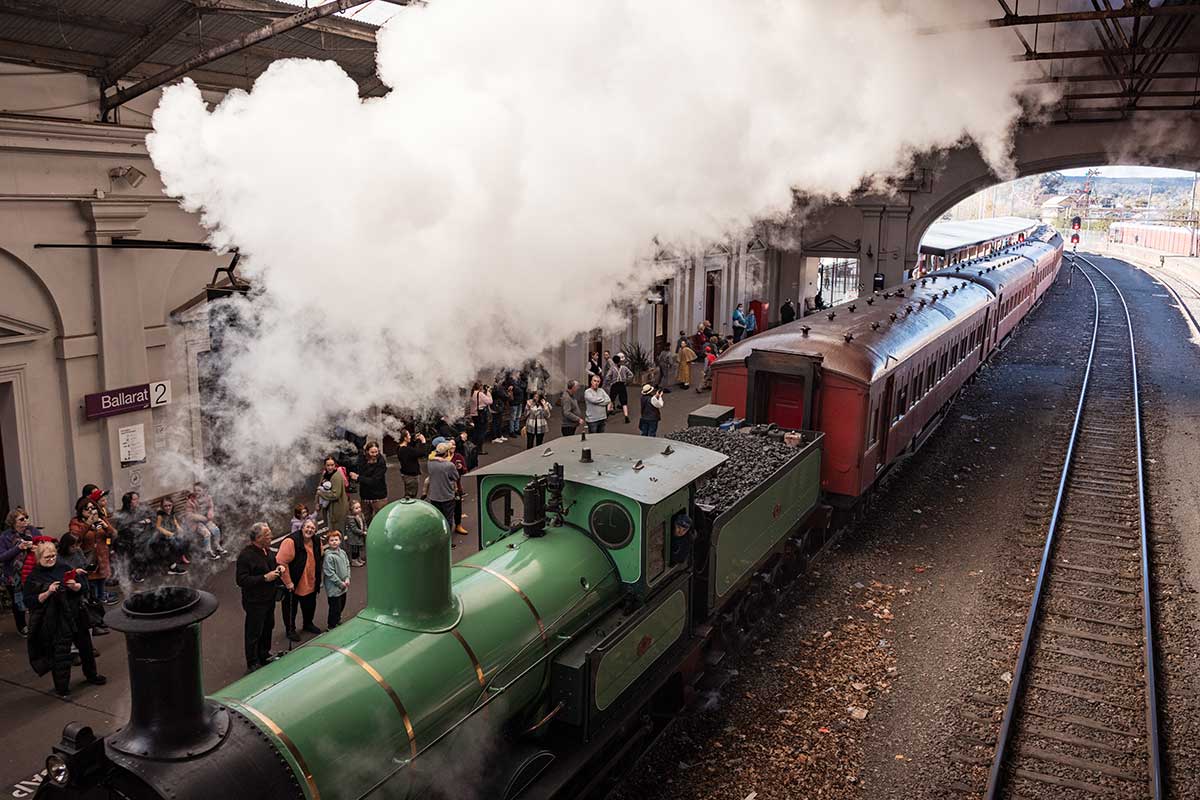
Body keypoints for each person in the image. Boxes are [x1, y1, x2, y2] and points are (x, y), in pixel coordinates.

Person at [23, 541, 106, 697]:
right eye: (47, 556)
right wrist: (47, 592)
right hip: (56, 619)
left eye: (54, 555)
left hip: (76, 613)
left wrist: (75, 586)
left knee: (86, 648)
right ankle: (62, 687)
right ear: (39, 557)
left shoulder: (64, 567)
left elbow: (83, 586)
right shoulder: (34, 577)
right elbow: (29, 601)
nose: (52, 559)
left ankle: (92, 675)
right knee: (60, 653)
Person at [235, 522, 283, 673]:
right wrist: (264, 578)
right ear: (258, 537)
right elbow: (241, 580)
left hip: (269, 598)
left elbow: (272, 566)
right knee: (254, 631)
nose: (271, 537)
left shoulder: (266, 551)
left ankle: (264, 654)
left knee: (268, 626)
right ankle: (252, 662)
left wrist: (278, 569)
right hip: (255, 601)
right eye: (268, 535)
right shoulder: (245, 556)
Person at [277, 518, 324, 641]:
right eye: (307, 527)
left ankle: (308, 624)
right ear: (302, 528)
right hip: (294, 582)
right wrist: (288, 582)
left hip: (310, 581)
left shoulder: (317, 540)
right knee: (290, 608)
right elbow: (281, 562)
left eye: (313, 528)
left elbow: (321, 555)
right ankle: (290, 630)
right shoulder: (291, 541)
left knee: (310, 605)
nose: (309, 530)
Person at [1, 509, 34, 636]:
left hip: (31, 572)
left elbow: (43, 546)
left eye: (26, 518)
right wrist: (18, 548)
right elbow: (2, 556)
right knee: (17, 602)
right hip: (13, 575)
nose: (25, 521)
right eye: (21, 519)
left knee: (33, 599)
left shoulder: (33, 531)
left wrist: (35, 547)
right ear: (13, 522)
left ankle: (36, 624)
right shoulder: (5, 537)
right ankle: (22, 626)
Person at [425, 442, 462, 543]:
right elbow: (456, 477)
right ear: (446, 453)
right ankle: (447, 541)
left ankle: (438, 539)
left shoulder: (430, 463)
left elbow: (430, 457)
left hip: (434, 496)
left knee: (438, 519)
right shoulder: (449, 465)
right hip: (447, 496)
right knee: (448, 520)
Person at [351, 441, 388, 526]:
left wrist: (358, 478)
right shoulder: (362, 459)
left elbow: (374, 481)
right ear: (367, 451)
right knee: (365, 520)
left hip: (378, 497)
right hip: (365, 496)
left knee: (381, 520)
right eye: (372, 452)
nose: (374, 454)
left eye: (376, 452)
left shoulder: (381, 462)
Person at [322, 530, 350, 629]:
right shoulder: (328, 556)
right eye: (331, 540)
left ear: (340, 541)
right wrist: (340, 583)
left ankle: (337, 619)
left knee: (342, 604)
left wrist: (347, 578)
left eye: (336, 540)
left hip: (344, 585)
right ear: (328, 542)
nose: (334, 542)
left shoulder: (342, 552)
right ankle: (331, 625)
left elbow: (347, 565)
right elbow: (329, 573)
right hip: (334, 588)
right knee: (334, 607)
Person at [190, 482, 226, 556]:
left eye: (199, 490)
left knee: (216, 530)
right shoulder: (191, 501)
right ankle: (208, 551)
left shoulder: (208, 498)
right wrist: (200, 517)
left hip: (206, 520)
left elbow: (210, 507)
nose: (196, 492)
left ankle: (217, 546)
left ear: (204, 491)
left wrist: (210, 512)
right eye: (195, 490)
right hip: (196, 523)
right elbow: (189, 515)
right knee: (207, 533)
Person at [316, 455, 349, 536]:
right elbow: (319, 487)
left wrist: (321, 494)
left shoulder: (336, 476)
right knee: (331, 530)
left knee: (337, 533)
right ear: (325, 466)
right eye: (328, 465)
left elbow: (335, 495)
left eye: (332, 465)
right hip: (328, 508)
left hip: (337, 509)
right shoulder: (325, 474)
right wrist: (317, 502)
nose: (330, 467)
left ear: (335, 465)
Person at [155, 498, 187, 576]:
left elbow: (175, 521)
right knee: (171, 543)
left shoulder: (172, 513)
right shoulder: (160, 515)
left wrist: (179, 527)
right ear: (162, 507)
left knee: (184, 539)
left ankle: (179, 558)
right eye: (165, 506)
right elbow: (158, 527)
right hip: (162, 536)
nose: (168, 507)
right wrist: (168, 533)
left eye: (170, 505)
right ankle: (173, 567)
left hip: (172, 533)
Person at [394, 430, 426, 500]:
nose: (410, 436)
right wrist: (423, 441)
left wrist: (415, 440)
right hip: (411, 476)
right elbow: (421, 453)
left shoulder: (400, 447)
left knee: (409, 493)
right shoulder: (406, 450)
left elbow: (411, 447)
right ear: (405, 438)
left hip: (406, 474)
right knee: (411, 496)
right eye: (408, 435)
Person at [448, 439, 470, 535]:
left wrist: (461, 468)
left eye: (454, 445)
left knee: (458, 508)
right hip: (445, 488)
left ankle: (458, 525)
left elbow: (465, 470)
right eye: (451, 445)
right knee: (447, 510)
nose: (453, 446)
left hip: (457, 487)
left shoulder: (458, 456)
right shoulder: (442, 458)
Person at [608, 355, 634, 423]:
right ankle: (626, 416)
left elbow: (608, 377)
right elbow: (631, 375)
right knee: (624, 401)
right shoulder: (624, 368)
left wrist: (611, 381)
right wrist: (626, 380)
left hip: (615, 385)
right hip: (622, 385)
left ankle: (607, 415)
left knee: (611, 399)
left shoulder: (612, 368)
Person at [468, 382, 492, 453]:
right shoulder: (480, 394)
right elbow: (490, 401)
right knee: (482, 431)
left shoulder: (472, 393)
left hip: (474, 414)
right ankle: (479, 449)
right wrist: (488, 392)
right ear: (480, 387)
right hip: (481, 415)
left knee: (476, 430)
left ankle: (473, 447)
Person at [344, 500, 366, 567]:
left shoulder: (361, 515)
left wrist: (365, 529)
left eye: (359, 507)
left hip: (359, 536)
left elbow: (364, 523)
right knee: (354, 549)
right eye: (356, 508)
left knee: (358, 548)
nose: (359, 509)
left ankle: (358, 558)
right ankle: (354, 560)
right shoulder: (351, 518)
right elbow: (354, 529)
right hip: (354, 537)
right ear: (351, 509)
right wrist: (362, 532)